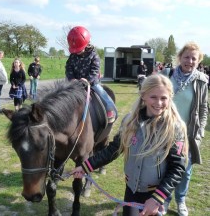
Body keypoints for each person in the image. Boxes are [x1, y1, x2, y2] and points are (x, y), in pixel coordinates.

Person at [71, 74, 188, 216]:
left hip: (155, 195)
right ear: (143, 95)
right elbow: (113, 150)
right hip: (131, 191)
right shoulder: (129, 122)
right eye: (153, 97)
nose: (159, 103)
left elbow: (177, 168)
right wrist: (85, 167)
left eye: (164, 98)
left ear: (170, 98)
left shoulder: (175, 128)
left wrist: (157, 198)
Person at [164, 42, 209, 216]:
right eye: (186, 57)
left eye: (193, 58)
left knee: (185, 169)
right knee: (165, 166)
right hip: (166, 131)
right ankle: (164, 199)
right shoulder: (168, 74)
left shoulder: (201, 80)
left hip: (188, 135)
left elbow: (203, 109)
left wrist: (200, 132)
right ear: (180, 57)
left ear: (198, 61)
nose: (189, 61)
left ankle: (180, 200)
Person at [65, 26, 117, 123]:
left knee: (103, 94)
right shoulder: (72, 56)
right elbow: (68, 68)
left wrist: (87, 80)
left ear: (87, 44)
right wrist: (71, 78)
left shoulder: (94, 56)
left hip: (91, 83)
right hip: (75, 83)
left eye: (79, 49)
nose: (77, 52)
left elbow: (95, 70)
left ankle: (111, 110)